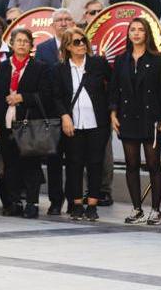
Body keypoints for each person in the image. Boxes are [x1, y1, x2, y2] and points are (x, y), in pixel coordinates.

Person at [110, 18, 161, 226]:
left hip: (151, 119)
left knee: (154, 164)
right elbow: (114, 89)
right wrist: (113, 113)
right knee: (131, 164)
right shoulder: (121, 60)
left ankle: (155, 210)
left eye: (140, 30)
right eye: (132, 30)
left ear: (147, 34)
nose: (136, 33)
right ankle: (136, 209)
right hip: (127, 118)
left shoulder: (159, 59)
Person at [0, 27, 51, 219]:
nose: (22, 44)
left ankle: (32, 203)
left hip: (29, 123)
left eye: (26, 41)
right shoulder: (4, 67)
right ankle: (13, 202)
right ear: (12, 44)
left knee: (31, 165)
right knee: (10, 164)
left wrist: (23, 97)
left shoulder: (40, 67)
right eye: (19, 41)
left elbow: (45, 95)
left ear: (31, 45)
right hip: (6, 122)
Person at [53, 27, 110, 221]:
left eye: (83, 40)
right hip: (73, 124)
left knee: (95, 163)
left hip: (97, 123)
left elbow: (110, 87)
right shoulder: (60, 69)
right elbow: (57, 96)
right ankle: (76, 204)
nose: (82, 45)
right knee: (74, 164)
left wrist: (112, 112)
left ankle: (92, 204)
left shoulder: (98, 63)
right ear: (67, 46)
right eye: (76, 42)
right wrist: (64, 116)